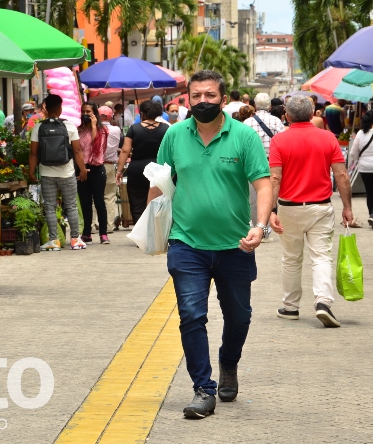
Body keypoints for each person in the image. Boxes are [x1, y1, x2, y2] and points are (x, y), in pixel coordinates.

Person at [151, 69, 272, 419]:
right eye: (196, 95)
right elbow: (159, 182)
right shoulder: (174, 135)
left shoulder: (243, 138)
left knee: (239, 317)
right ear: (188, 98)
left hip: (236, 245)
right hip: (186, 243)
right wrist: (153, 225)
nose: (203, 101)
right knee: (191, 316)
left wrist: (260, 226)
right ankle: (203, 389)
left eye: (210, 95)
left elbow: (263, 186)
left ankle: (228, 362)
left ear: (224, 98)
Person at [272, 95, 354, 328]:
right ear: (312, 114)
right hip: (320, 206)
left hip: (289, 208)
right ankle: (323, 302)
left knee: (291, 258)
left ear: (286, 116)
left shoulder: (280, 141)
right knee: (321, 256)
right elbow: (341, 175)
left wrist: (271, 210)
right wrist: (347, 207)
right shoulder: (327, 137)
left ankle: (290, 307)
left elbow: (275, 178)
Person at [28, 94, 87, 251]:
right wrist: (82, 170)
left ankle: (54, 241)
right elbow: (77, 150)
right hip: (67, 173)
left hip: (47, 173)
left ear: (45, 108)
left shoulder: (38, 127)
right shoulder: (69, 126)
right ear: (60, 108)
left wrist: (31, 172)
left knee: (50, 207)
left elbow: (33, 153)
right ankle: (75, 239)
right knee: (71, 206)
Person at [115, 100, 169, 224]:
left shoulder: (135, 129)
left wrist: (119, 171)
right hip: (159, 169)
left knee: (137, 201)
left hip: (138, 169)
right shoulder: (165, 128)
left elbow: (125, 151)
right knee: (159, 200)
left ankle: (141, 233)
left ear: (142, 113)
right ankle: (156, 231)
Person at [243, 93, 285, 234]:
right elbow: (281, 143)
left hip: (253, 164)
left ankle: (259, 225)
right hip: (273, 163)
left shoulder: (247, 123)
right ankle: (268, 224)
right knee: (272, 194)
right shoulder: (276, 122)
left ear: (254, 105)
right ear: (270, 106)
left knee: (254, 198)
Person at [348, 110, 373, 230]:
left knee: (370, 193)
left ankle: (372, 215)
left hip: (365, 168)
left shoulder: (360, 133)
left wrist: (359, 160)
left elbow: (353, 153)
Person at [77, 102, 110, 244]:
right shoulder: (78, 130)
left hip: (97, 169)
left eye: (88, 111)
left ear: (94, 113)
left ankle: (103, 233)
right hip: (82, 169)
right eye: (83, 111)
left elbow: (96, 147)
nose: (85, 114)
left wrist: (94, 126)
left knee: (99, 202)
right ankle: (87, 233)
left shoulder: (102, 130)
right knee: (85, 203)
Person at [98, 105, 122, 233]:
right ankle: (109, 225)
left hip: (96, 166)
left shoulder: (94, 129)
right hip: (109, 166)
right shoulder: (116, 129)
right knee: (110, 196)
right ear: (110, 116)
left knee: (95, 196)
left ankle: (93, 224)